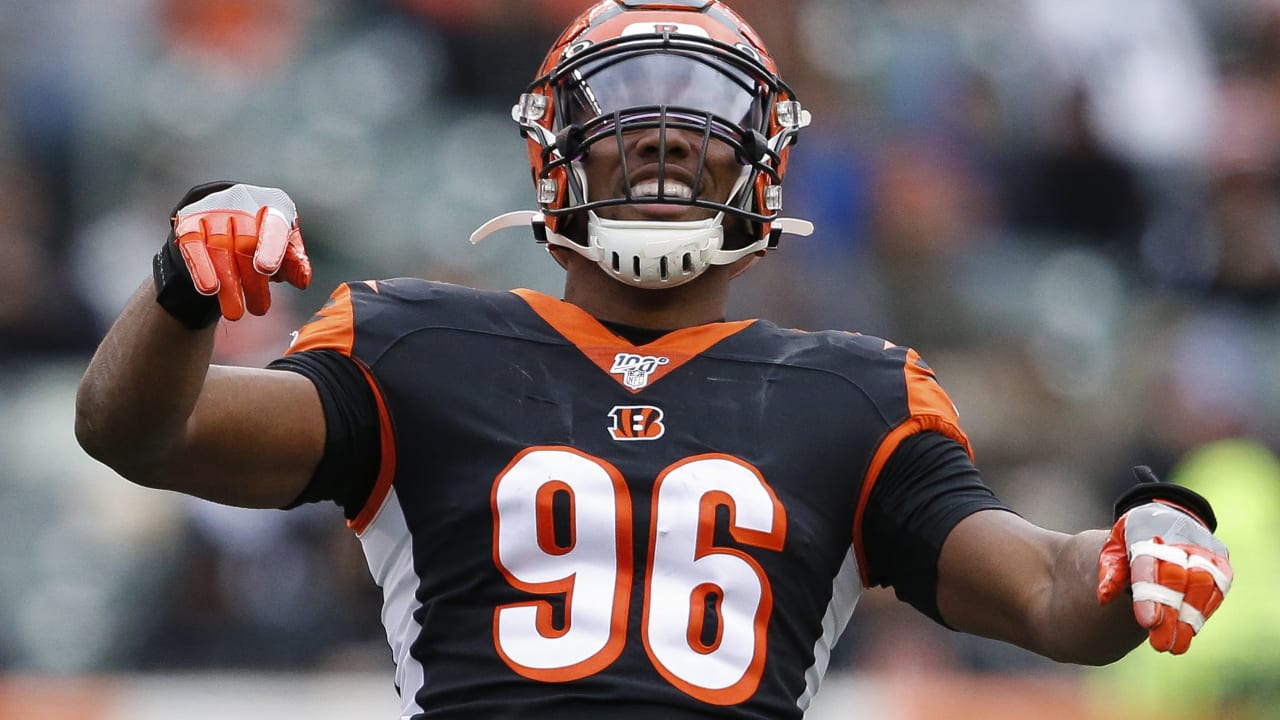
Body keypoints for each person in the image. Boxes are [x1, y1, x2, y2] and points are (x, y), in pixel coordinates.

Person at [75, 1, 1234, 718]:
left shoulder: (853, 395)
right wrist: (180, 287)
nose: (666, 144)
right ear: (553, 166)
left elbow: (1048, 594)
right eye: (628, 126)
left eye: (697, 133)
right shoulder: (416, 347)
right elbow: (139, 431)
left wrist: (1141, 540)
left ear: (761, 178)